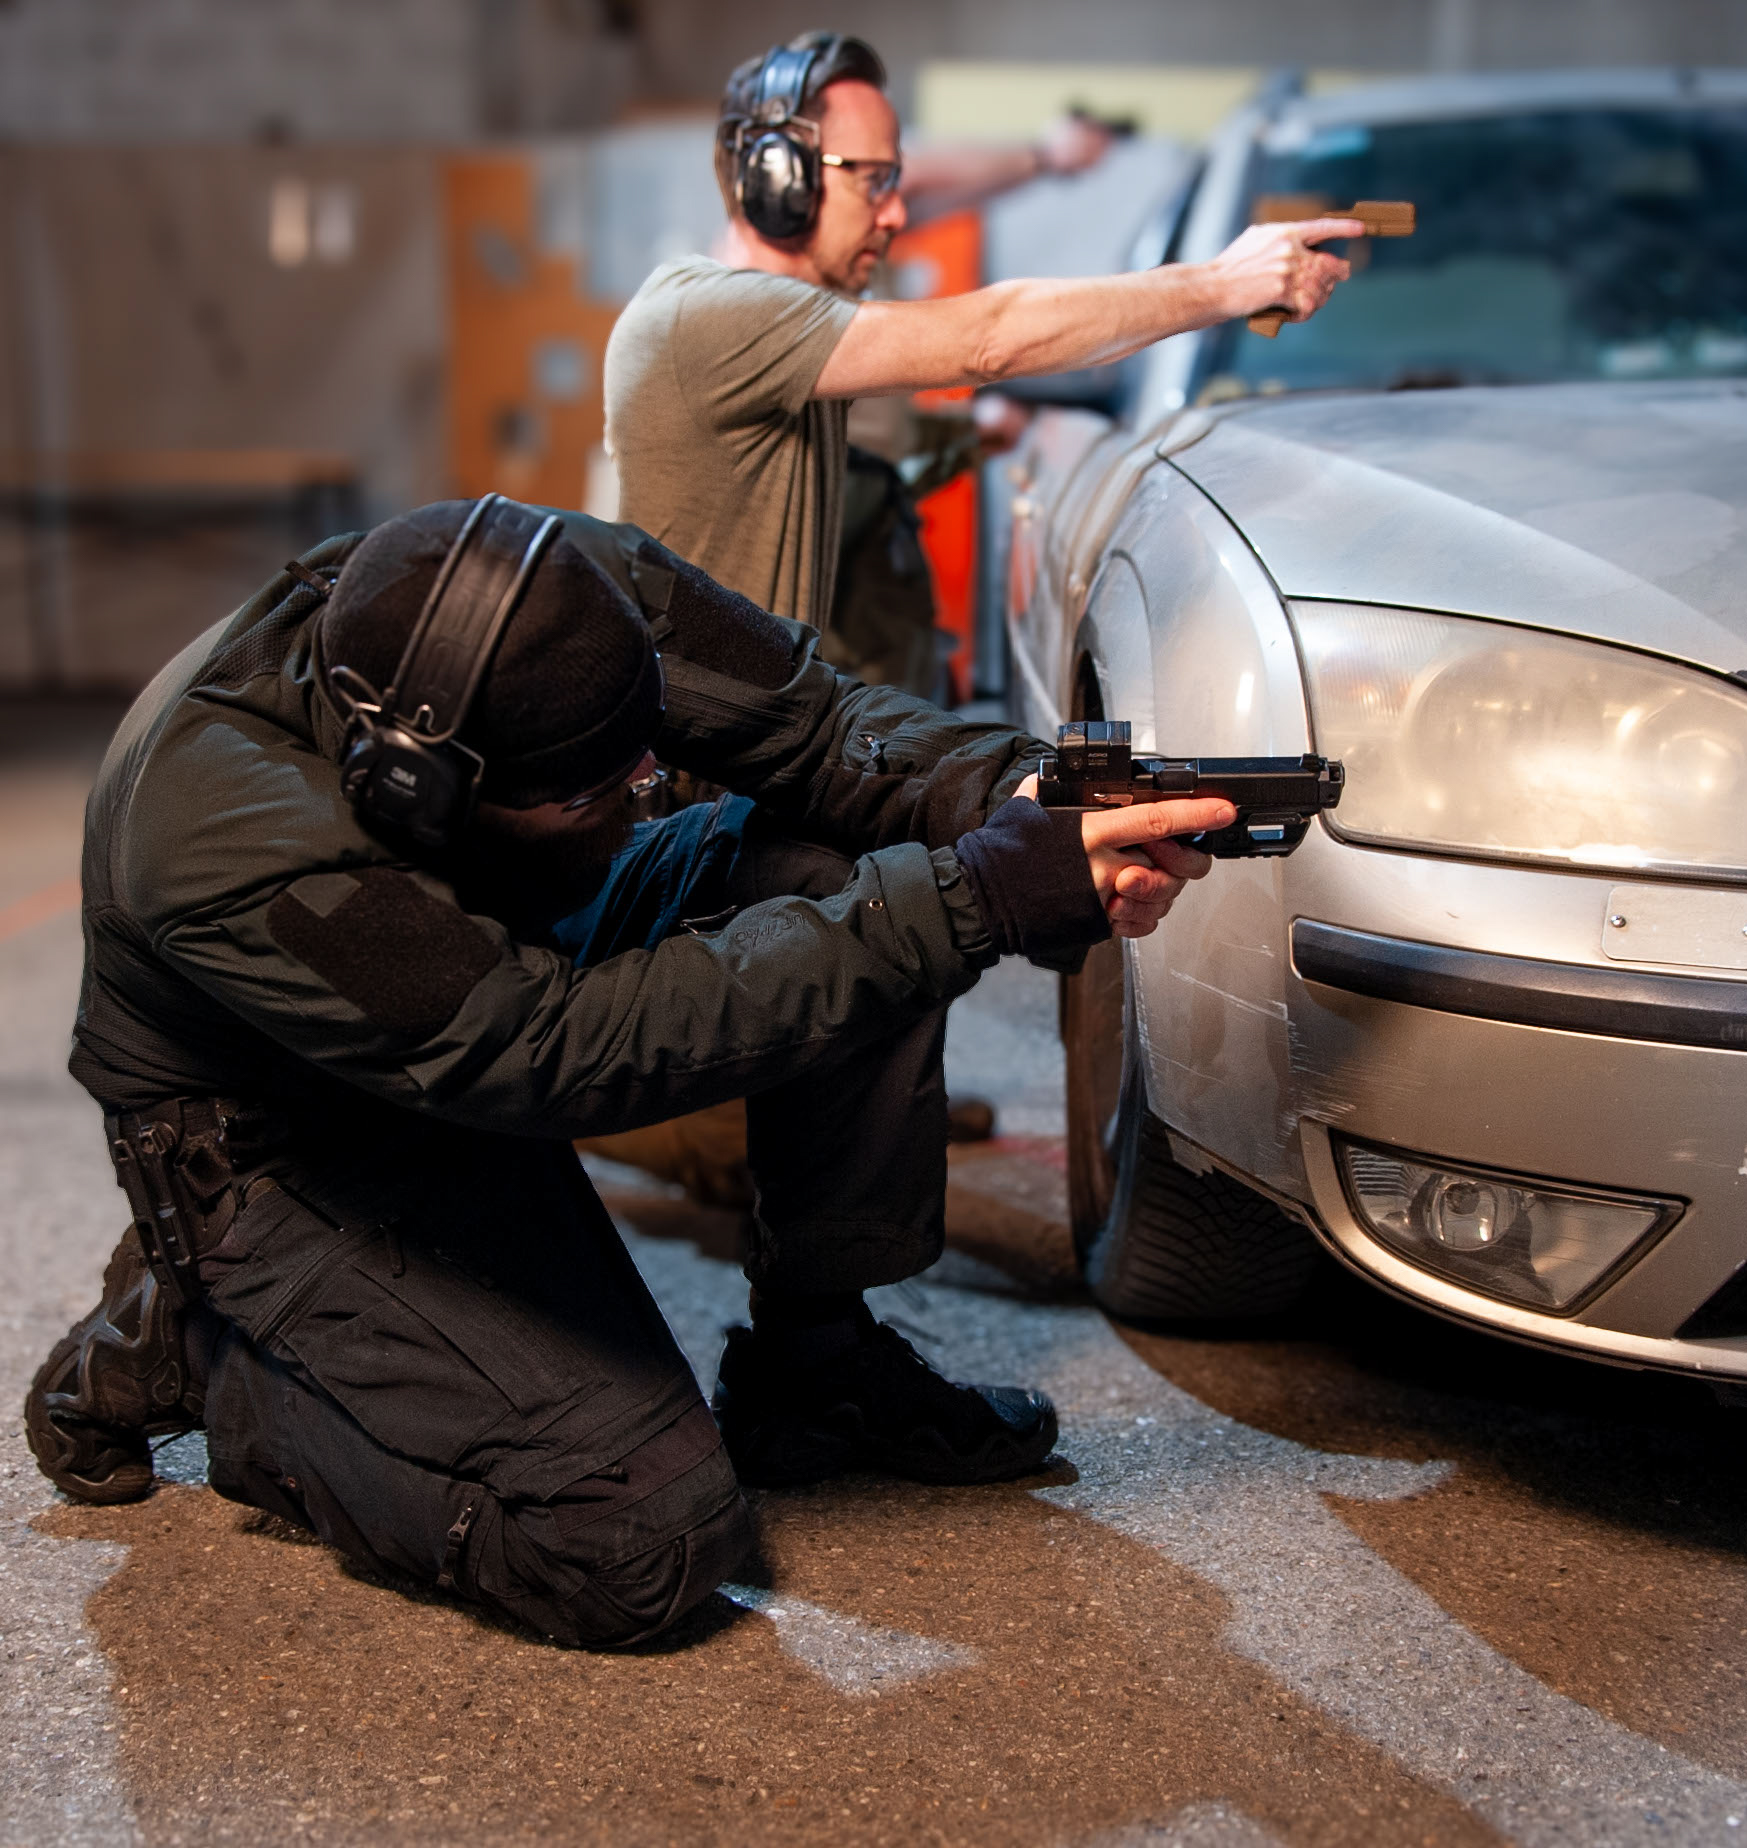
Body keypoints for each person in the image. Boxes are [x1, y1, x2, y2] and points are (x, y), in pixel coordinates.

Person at [25, 495, 1234, 1649]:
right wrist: (975, 898)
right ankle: (203, 1343)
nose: (638, 805)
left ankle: (817, 1369)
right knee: (631, 1543)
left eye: (640, 772)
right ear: (422, 783)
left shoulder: (553, 590)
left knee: (856, 854)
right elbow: (552, 1051)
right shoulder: (224, 834)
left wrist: (1031, 802)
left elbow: (813, 725)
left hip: (495, 984)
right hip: (286, 1143)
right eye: (592, 798)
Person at [600, 30, 1360, 633]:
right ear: (780, 181)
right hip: (700, 800)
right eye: (874, 183)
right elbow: (988, 339)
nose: (898, 215)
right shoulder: (712, 317)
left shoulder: (777, 314)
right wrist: (1225, 283)